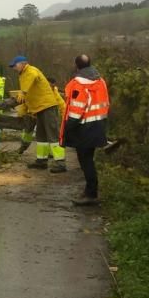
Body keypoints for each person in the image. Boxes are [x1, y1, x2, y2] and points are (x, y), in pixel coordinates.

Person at [60, 54, 111, 206]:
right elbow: (106, 102)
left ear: (76, 66)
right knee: (89, 159)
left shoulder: (78, 84)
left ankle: (91, 194)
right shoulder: (100, 81)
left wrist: (68, 128)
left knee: (86, 161)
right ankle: (90, 191)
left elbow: (76, 110)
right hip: (98, 124)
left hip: (84, 128)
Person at [9, 56, 67, 172]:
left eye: (15, 65)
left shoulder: (31, 71)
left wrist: (23, 92)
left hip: (47, 107)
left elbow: (31, 79)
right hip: (39, 109)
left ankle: (60, 163)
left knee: (53, 136)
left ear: (23, 64)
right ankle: (41, 161)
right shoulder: (23, 74)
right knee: (41, 136)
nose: (14, 68)